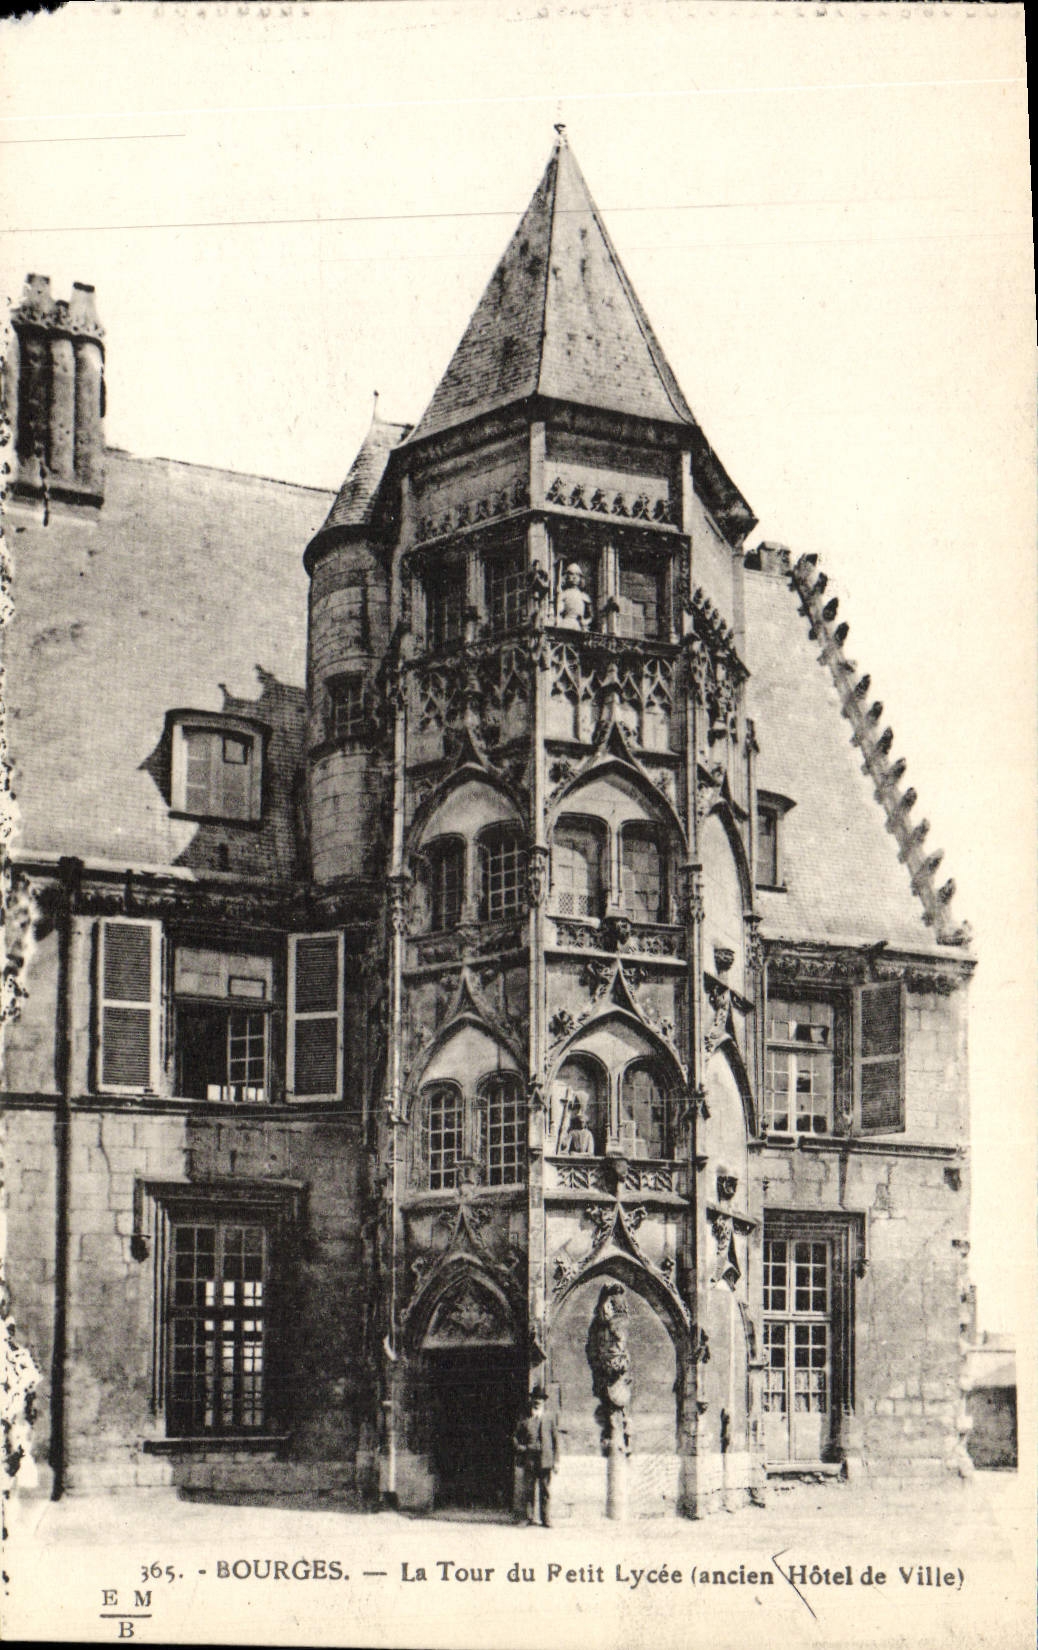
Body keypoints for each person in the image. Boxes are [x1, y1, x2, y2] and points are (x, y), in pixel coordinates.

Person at [512, 1386, 558, 1527]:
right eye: (535, 1398)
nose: (538, 1401)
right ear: (531, 1400)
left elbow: (555, 1440)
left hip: (545, 1460)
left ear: (544, 1401)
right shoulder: (524, 1418)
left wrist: (556, 1461)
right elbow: (514, 1436)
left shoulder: (550, 1417)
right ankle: (528, 1518)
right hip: (529, 1459)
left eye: (541, 1399)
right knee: (529, 1490)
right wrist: (520, 1447)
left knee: (545, 1490)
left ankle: (546, 1519)